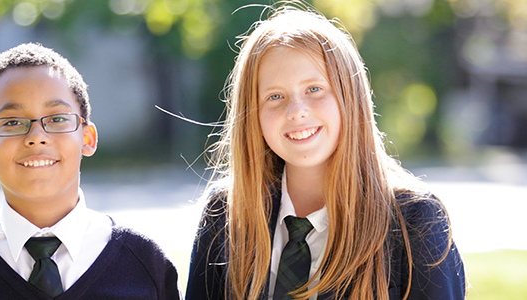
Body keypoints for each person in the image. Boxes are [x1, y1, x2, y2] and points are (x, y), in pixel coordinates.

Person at [185, 5, 466, 300]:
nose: (296, 112)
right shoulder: (225, 216)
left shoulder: (415, 221)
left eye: (314, 89)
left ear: (350, 95)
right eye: (275, 96)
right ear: (252, 113)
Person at [0, 43, 179, 300]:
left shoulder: (145, 263)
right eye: (12, 122)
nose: (37, 136)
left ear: (87, 138)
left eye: (58, 119)